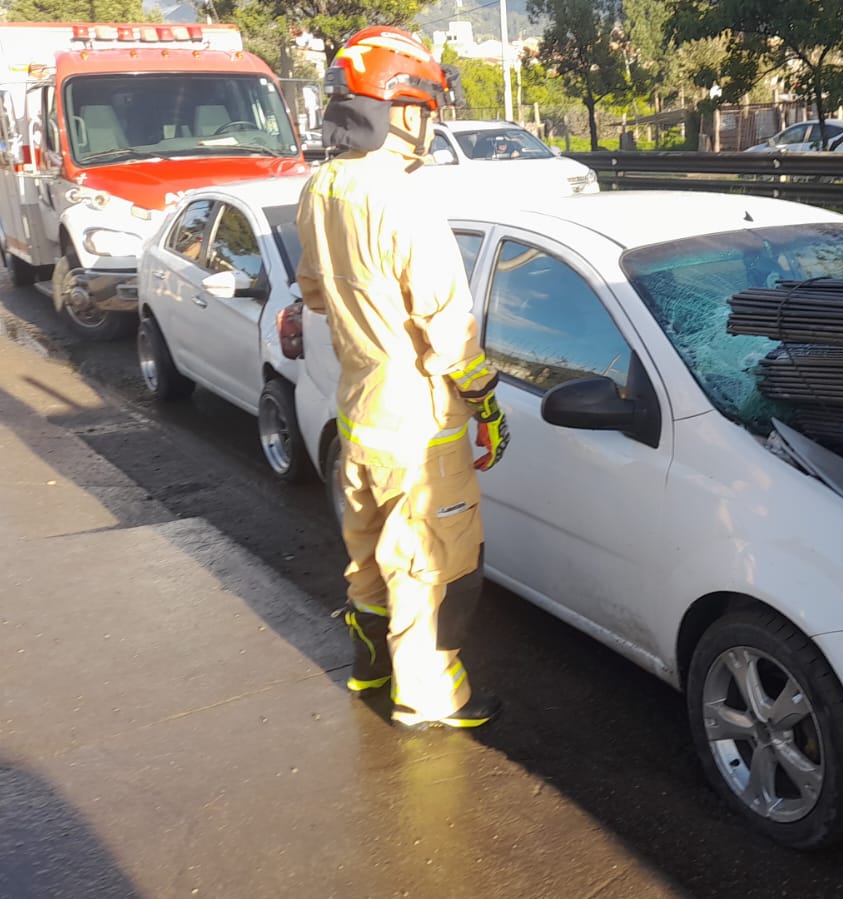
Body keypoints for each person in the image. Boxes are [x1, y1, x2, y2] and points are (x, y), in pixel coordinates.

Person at [296, 26, 510, 731]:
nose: (428, 124)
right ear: (397, 107)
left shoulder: (321, 186)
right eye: (423, 108)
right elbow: (448, 326)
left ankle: (369, 671)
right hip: (420, 427)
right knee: (434, 568)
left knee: (368, 560)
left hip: (359, 413)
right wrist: (483, 399)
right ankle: (430, 700)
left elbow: (315, 292)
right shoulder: (405, 198)